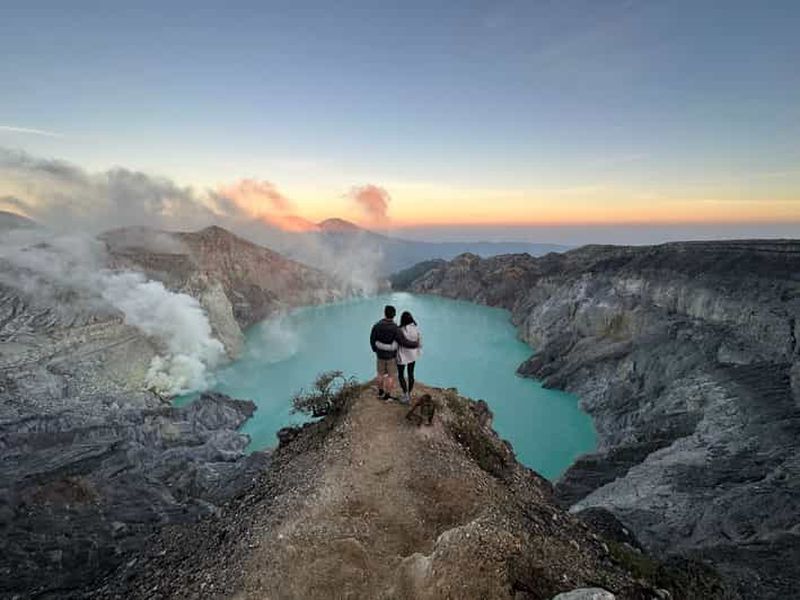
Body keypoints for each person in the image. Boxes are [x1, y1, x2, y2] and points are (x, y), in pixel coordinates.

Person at [369, 305, 418, 401]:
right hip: (391, 356)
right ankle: (387, 395)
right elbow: (403, 342)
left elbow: (372, 339)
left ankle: (380, 392)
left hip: (380, 355)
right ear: (394, 315)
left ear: (385, 313)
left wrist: (375, 350)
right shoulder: (395, 328)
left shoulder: (377, 325)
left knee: (380, 374)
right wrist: (415, 344)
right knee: (390, 376)